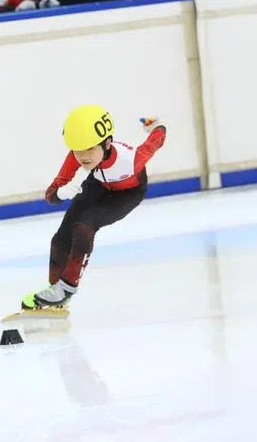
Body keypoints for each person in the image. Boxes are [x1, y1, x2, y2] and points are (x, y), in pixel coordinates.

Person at [20, 106, 166, 311]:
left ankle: (67, 288)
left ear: (107, 143)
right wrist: (61, 193)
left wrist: (156, 126)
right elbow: (50, 196)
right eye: (78, 149)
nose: (83, 156)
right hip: (96, 186)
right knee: (61, 238)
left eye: (89, 148)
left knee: (84, 226)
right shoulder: (76, 156)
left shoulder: (131, 160)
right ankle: (55, 295)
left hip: (128, 193)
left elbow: (156, 141)